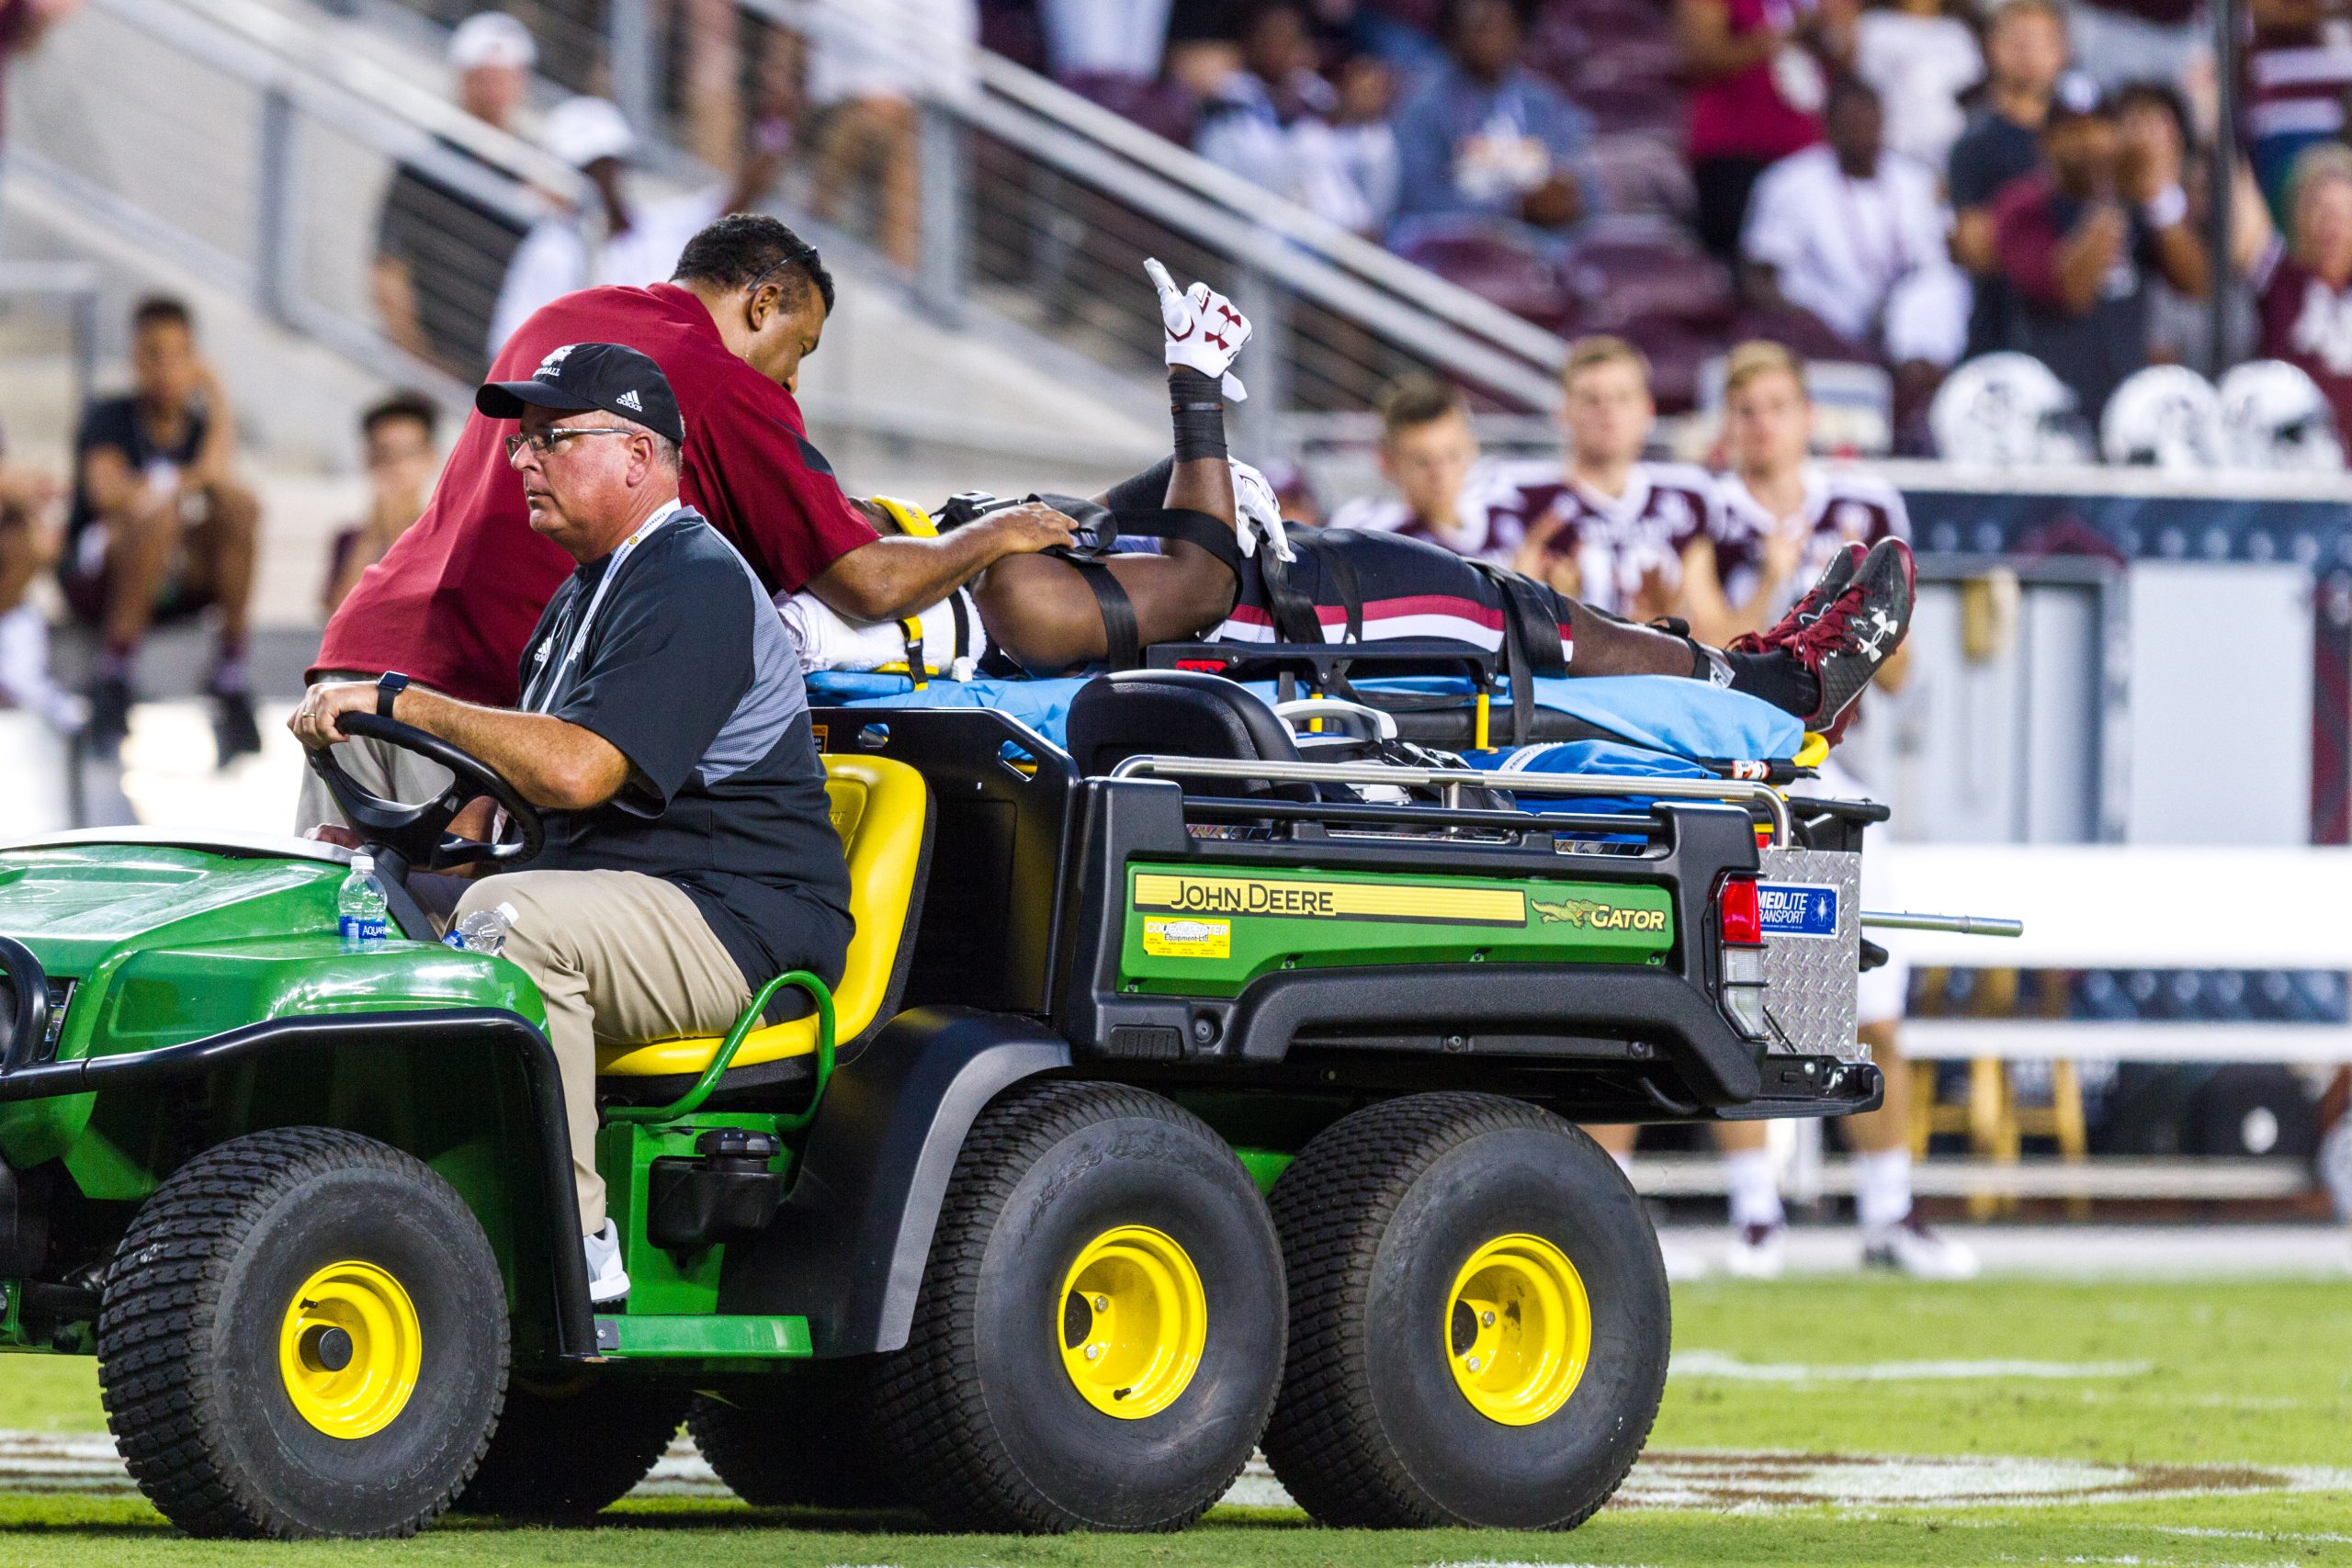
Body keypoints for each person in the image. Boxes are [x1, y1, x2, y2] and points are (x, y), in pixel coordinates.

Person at [291, 345, 852, 1305]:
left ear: (638, 455)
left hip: (737, 917)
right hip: (633, 897)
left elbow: (580, 770)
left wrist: (404, 703)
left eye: (553, 438)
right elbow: (517, 791)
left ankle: (567, 1242)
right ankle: (352, 1208)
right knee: (341, 907)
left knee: (515, 923)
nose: (520, 460)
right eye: (520, 440)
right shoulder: (582, 595)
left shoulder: (694, 575)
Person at [307, 213, 1088, 829]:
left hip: (358, 666)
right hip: (468, 713)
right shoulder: (720, 382)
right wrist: (998, 531)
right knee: (470, 990)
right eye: (799, 348)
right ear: (762, 304)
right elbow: (867, 583)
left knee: (329, 990)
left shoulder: (564, 316)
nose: (791, 375)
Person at [1613, 338, 1973, 1280]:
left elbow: (1894, 670)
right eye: (1746, 409)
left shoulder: (1864, 509)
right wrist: (1784, 592)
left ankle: (1890, 1209)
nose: (1761, 425)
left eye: (1776, 405)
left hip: (1836, 782)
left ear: (1807, 415)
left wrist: (1842, 630)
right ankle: (1757, 1216)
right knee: (1744, 988)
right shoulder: (1700, 506)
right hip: (1741, 780)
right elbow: (1707, 646)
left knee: (1869, 997)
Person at [62, 296, 261, 764]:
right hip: (103, 577)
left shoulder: (197, 427)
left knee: (240, 505)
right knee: (156, 514)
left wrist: (216, 395)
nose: (165, 368)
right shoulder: (109, 416)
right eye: (153, 353)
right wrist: (176, 489)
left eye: (178, 354)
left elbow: (219, 479)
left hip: (174, 580)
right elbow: (108, 493)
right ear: (135, 357)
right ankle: (115, 671)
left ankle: (230, 668)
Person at [486, 97, 786, 355]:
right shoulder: (553, 249)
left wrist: (773, 137)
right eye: (590, 169)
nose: (602, 179)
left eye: (608, 164)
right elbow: (510, 346)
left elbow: (729, 205)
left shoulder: (658, 225)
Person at [1990, 73, 2211, 423]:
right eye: (2071, 131)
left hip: (2128, 402)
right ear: (2046, 143)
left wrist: (2160, 200)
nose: (2087, 143)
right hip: (2045, 405)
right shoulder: (2023, 206)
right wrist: (2107, 196)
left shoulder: (2137, 201)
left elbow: (2196, 284)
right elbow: (2071, 290)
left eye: (2097, 128)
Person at [1739, 74, 1970, 386]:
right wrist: (1803, 322)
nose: (1861, 130)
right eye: (1850, 121)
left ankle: (1922, 388)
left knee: (1944, 287)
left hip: (1902, 323)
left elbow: (1938, 262)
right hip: (1823, 323)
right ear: (1828, 127)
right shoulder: (1791, 181)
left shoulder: (1916, 180)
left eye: (1869, 119)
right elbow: (1758, 272)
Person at [1499, 335, 1716, 622]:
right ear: (1562, 411)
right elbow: (1509, 629)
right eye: (1591, 399)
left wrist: (1670, 616)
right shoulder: (1519, 497)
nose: (1607, 410)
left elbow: (1715, 631)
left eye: (1622, 397)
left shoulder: (1688, 495)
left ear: (1648, 409)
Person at [373, 11, 538, 380]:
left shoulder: (540, 172)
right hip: (438, 362)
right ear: (463, 79)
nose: (496, 90)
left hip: (513, 372)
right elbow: (388, 267)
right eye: (485, 77)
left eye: (507, 76)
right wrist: (417, 358)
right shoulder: (425, 166)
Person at [1387, 0, 1600, 254]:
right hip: (1457, 251)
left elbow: (1586, 189)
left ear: (1517, 32)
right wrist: (1513, 207)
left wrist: (1568, 200)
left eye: (1497, 25)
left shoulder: (1542, 102)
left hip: (1541, 246)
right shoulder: (1423, 103)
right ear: (1455, 33)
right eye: (1477, 25)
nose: (1486, 36)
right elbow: (1417, 198)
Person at [1196, 3, 1400, 235]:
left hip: (1334, 239)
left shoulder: (1317, 96)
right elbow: (1248, 194)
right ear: (1249, 42)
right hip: (1254, 240)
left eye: (1292, 39)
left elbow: (1374, 188)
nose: (1283, 49)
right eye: (1273, 38)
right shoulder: (1226, 106)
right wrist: (1330, 125)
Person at [1677, 0, 1853, 263]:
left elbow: (1848, 52)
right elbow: (1700, 54)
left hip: (1809, 155)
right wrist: (1784, 36)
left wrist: (1827, 31)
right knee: (1742, 264)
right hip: (1736, 153)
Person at [1947, 0, 2070, 360]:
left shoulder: (2082, 130)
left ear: (2061, 52)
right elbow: (1977, 250)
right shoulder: (1975, 144)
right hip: (2003, 333)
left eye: (2038, 41)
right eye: (2016, 40)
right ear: (1991, 49)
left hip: (2080, 339)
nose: (2027, 52)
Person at [1327, 373, 1512, 560]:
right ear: (1387, 462)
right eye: (1422, 462)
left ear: (1472, 448)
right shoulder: (1372, 536)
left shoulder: (1508, 503)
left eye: (1452, 456)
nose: (1440, 473)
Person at [2256, 141, 2352, 437]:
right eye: (2319, 210)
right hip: (2293, 465)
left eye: (2341, 213)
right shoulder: (2277, 278)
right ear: (2298, 218)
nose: (2330, 225)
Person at [323, 392, 442, 619]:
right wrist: (373, 535)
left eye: (409, 453)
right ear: (369, 460)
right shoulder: (348, 539)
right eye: (385, 454)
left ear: (430, 458)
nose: (397, 466)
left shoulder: (446, 535)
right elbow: (338, 618)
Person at [2246, 0, 2352, 229]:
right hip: (2287, 126)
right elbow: (2264, 10)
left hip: (2341, 116)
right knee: (2296, 223)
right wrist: (2333, 10)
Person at [1851, 0, 1980, 174]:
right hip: (1893, 152)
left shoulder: (1956, 32)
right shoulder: (1873, 27)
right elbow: (1861, 92)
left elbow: (1973, 95)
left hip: (1949, 153)